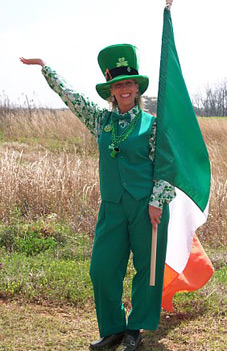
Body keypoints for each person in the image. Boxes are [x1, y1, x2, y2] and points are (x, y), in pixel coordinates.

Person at [20, 32, 175, 351]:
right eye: (119, 85)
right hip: (113, 208)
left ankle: (136, 329)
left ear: (137, 88)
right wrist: (46, 68)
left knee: (147, 270)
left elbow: (167, 165)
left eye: (129, 83)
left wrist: (158, 201)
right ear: (111, 90)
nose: (125, 89)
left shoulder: (152, 124)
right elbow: (71, 96)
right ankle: (114, 327)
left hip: (148, 206)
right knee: (102, 268)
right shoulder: (99, 120)